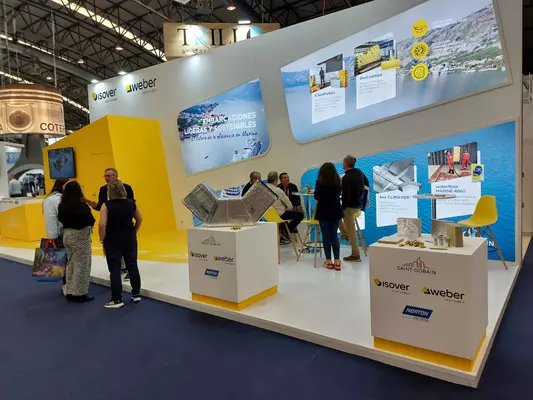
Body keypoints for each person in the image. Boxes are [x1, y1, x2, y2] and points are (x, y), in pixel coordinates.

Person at [99, 180, 143, 309]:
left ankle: (117, 299)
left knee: (115, 269)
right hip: (129, 237)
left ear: (109, 191)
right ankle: (136, 293)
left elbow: (102, 224)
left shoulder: (106, 205)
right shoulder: (131, 203)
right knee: (132, 265)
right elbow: (139, 219)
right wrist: (134, 231)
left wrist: (102, 238)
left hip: (113, 239)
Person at [85, 168, 134, 280]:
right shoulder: (103, 189)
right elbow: (100, 206)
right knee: (114, 250)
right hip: (110, 224)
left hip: (124, 223)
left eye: (108, 175)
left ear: (116, 176)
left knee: (128, 250)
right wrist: (89, 203)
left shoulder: (127, 188)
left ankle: (129, 269)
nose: (106, 178)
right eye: (105, 176)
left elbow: (131, 204)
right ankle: (119, 268)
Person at [58, 181, 95, 303]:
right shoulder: (81, 206)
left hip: (67, 234)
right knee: (82, 264)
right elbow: (90, 220)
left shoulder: (62, 206)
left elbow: (60, 219)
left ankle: (69, 290)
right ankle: (79, 293)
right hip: (80, 236)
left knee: (71, 263)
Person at [339, 155, 369, 263]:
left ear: (346, 163)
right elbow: (366, 185)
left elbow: (345, 195)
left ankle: (355, 254)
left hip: (350, 207)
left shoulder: (346, 178)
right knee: (336, 215)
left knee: (352, 231)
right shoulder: (360, 173)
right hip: (358, 205)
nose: (342, 164)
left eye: (343, 162)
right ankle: (345, 233)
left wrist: (343, 207)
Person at [314, 162, 343, 271]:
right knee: (334, 235)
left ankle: (328, 260)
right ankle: (337, 260)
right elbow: (339, 194)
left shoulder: (319, 183)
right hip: (335, 211)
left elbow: (316, 196)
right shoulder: (338, 182)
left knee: (326, 236)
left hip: (323, 211)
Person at [43, 178, 69, 287]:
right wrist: (52, 236)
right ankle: (66, 285)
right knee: (63, 261)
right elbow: (50, 218)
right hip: (60, 233)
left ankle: (70, 286)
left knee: (69, 261)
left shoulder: (67, 197)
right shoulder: (51, 200)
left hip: (70, 232)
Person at [266, 171, 304, 243]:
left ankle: (285, 232)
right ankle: (286, 231)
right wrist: (290, 208)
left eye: (287, 177)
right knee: (300, 215)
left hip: (271, 213)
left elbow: (297, 198)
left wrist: (297, 206)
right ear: (279, 180)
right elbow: (288, 203)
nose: (287, 179)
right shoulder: (278, 189)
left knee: (297, 211)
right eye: (285, 178)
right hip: (280, 212)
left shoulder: (293, 186)